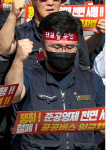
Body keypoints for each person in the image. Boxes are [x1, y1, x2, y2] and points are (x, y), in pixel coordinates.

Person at [6, 11, 105, 149]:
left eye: (70, 47)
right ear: (42, 45)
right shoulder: (29, 75)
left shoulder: (91, 79)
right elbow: (13, 96)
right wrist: (18, 60)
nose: (63, 51)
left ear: (77, 47)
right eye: (56, 47)